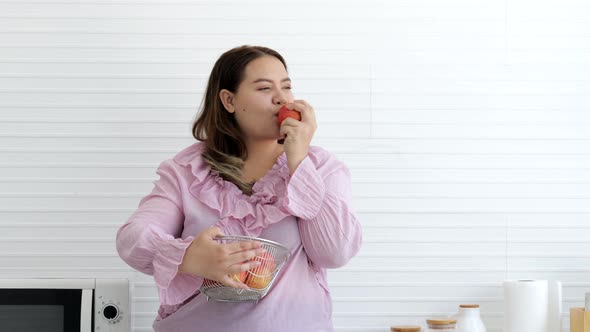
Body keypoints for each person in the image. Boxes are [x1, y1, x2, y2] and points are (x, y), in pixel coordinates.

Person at [116, 45, 363, 332]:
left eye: (287, 87)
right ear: (229, 100)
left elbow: (335, 252)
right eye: (264, 88)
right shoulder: (186, 172)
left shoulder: (321, 167)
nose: (283, 99)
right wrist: (189, 257)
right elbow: (132, 239)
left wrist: (299, 161)